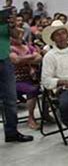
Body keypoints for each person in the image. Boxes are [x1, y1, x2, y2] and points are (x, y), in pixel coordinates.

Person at [0, 8, 34, 143]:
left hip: (4, 60)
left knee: (10, 99)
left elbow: (15, 36)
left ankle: (11, 132)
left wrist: (12, 24)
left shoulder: (2, 20)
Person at [9, 28, 42, 130]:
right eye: (17, 36)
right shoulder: (8, 48)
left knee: (47, 89)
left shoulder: (27, 46)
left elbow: (39, 58)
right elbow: (16, 60)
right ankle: (31, 117)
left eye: (20, 35)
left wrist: (25, 59)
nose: (20, 37)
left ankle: (45, 114)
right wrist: (31, 57)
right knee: (32, 90)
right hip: (14, 81)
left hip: (31, 78)